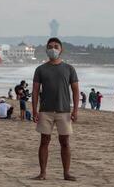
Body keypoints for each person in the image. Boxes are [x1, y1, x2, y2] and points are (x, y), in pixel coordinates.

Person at [32, 37, 79, 181]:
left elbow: (76, 90)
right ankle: (43, 173)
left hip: (64, 111)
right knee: (44, 141)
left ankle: (66, 173)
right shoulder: (40, 69)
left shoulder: (69, 68)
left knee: (65, 142)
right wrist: (34, 110)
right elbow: (35, 91)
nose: (53, 49)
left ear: (61, 49)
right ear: (46, 50)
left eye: (56, 46)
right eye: (50, 46)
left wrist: (75, 110)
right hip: (45, 110)